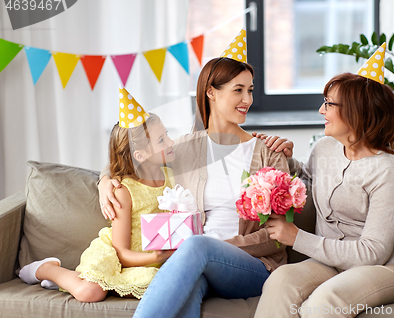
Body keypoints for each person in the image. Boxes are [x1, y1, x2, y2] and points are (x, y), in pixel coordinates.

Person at [98, 29, 292, 318]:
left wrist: (216, 247)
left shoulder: (268, 152)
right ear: (211, 92)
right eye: (238, 90)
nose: (247, 99)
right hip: (197, 262)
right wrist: (104, 179)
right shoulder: (185, 150)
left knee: (196, 247)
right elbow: (132, 156)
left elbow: (278, 236)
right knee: (190, 287)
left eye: (250, 90)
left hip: (254, 266)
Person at [254, 44, 394, 318]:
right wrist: (285, 159)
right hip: (330, 262)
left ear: (357, 111)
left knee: (325, 302)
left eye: (329, 103)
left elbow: (373, 252)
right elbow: (308, 183)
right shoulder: (325, 148)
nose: (320, 110)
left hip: (385, 267)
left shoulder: (388, 171)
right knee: (281, 281)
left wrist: (297, 238)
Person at [18, 89, 176, 302]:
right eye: (162, 140)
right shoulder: (124, 191)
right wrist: (156, 257)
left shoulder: (172, 177)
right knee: (91, 292)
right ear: (140, 155)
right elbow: (121, 252)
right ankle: (46, 269)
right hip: (119, 257)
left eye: (166, 135)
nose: (171, 142)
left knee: (165, 286)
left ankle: (72, 280)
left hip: (152, 261)